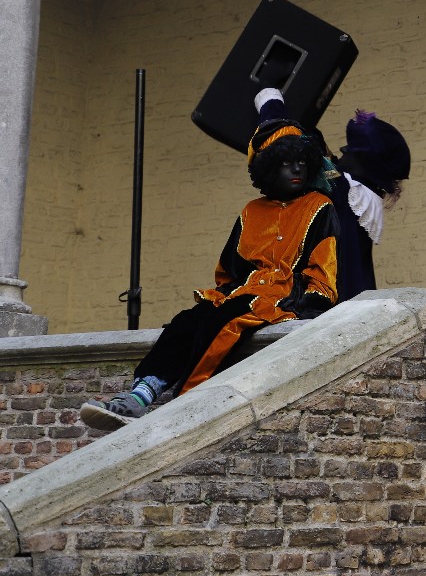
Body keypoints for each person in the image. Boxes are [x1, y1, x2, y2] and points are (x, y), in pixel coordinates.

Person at [80, 110, 339, 432]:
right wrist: (224, 294)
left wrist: (313, 305)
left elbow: (323, 264)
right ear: (269, 167)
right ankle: (141, 394)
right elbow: (230, 269)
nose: (296, 168)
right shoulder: (251, 211)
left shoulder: (319, 205)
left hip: (284, 294)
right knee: (187, 320)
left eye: (301, 161)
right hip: (242, 291)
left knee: (224, 321)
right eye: (286, 162)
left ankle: (182, 404)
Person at [254, 89, 410, 302]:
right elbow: (325, 159)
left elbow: (287, 146)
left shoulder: (346, 191)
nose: (341, 154)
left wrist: (270, 100)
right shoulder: (357, 194)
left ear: (361, 164)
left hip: (332, 304)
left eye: (347, 152)